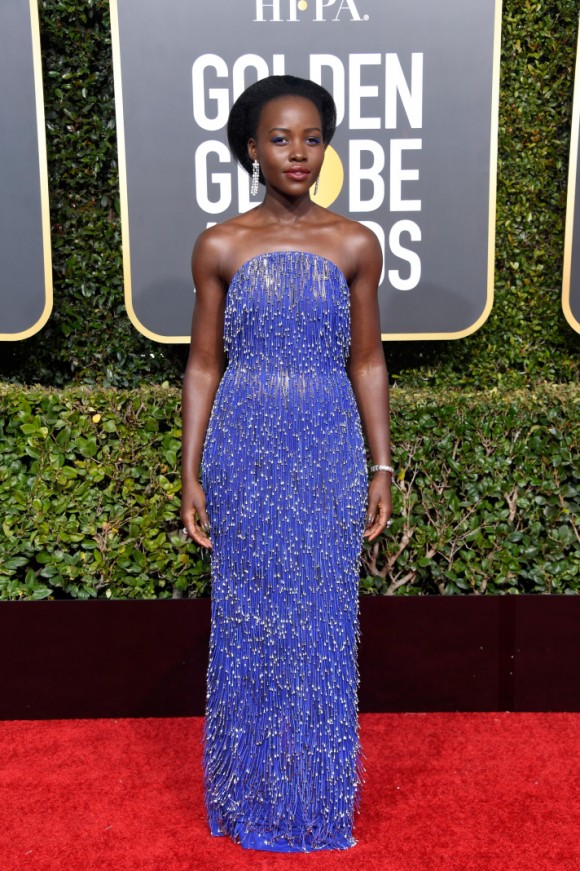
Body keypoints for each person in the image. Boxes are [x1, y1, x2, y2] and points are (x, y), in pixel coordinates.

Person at [181, 74, 392, 853]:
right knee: (250, 622)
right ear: (251, 149)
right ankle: (247, 794)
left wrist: (381, 466)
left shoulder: (355, 242)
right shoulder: (221, 244)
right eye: (280, 138)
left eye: (311, 137)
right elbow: (203, 365)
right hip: (244, 445)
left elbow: (367, 361)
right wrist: (191, 469)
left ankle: (315, 801)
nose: (298, 152)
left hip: (327, 444)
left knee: (321, 629)